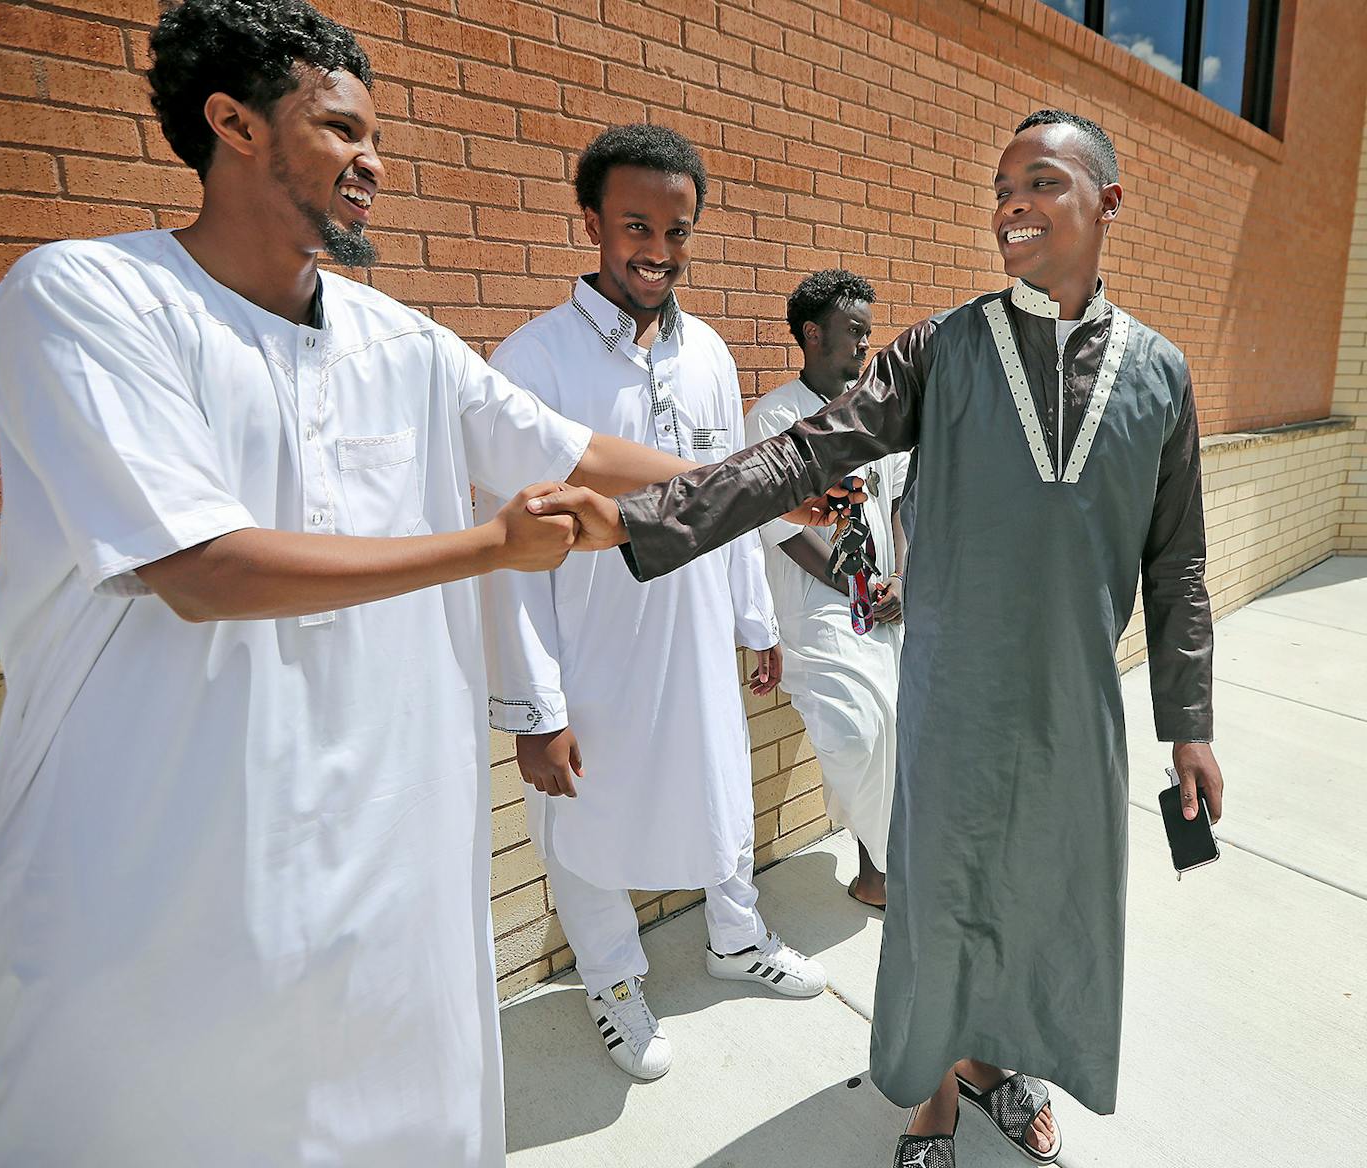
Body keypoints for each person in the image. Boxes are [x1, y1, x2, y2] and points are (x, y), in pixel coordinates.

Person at [0, 4, 717, 1164]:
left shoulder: (397, 340)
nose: (374, 159)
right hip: (157, 889)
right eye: (340, 128)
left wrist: (777, 479)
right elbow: (200, 567)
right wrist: (484, 548)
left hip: (389, 882)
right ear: (232, 123)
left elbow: (571, 454)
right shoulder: (86, 298)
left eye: (377, 135)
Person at [534, 110, 1226, 1167]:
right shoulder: (940, 351)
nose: (1009, 204)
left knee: (1042, 904)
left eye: (1039, 182)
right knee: (941, 901)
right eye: (1000, 186)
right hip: (946, 697)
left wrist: (1187, 724)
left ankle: (1002, 1063)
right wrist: (641, 519)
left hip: (1073, 711)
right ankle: (933, 1097)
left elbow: (1173, 559)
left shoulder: (1158, 376)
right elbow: (800, 453)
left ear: (1107, 204)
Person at [477, 125, 826, 1082]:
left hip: (701, 639)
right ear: (590, 222)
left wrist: (755, 622)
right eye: (637, 225)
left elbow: (735, 497)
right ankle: (615, 982)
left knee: (719, 793)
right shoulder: (532, 363)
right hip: (593, 650)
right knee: (586, 827)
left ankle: (736, 938)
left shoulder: (709, 351)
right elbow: (512, 557)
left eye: (678, 230)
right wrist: (535, 711)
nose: (659, 250)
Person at [745, 269, 910, 910]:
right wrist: (857, 582)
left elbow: (898, 499)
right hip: (817, 610)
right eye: (854, 332)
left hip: (885, 606)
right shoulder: (772, 419)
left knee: (893, 734)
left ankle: (879, 875)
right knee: (853, 734)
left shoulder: (874, 415)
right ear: (813, 335)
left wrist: (900, 577)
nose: (867, 344)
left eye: (870, 332)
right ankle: (884, 861)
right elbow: (776, 527)